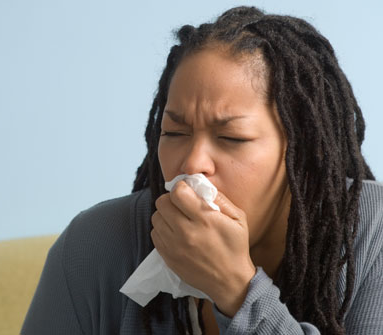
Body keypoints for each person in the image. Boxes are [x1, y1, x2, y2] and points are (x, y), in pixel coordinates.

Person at [21, 6, 383, 335]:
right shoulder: (93, 246)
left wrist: (237, 291)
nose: (193, 163)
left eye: (231, 137)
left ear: (302, 149)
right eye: (174, 133)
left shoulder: (373, 238)